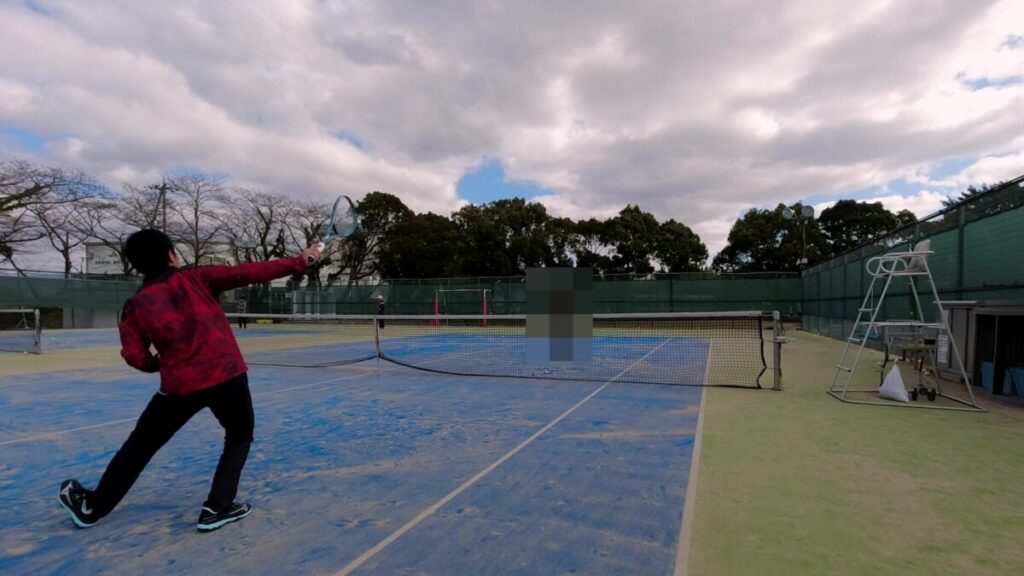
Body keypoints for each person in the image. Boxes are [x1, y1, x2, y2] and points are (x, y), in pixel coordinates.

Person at [58, 229, 321, 532]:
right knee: (239, 437)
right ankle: (216, 507)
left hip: (179, 386)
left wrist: (162, 364)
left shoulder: (135, 305)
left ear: (136, 265)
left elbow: (135, 356)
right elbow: (250, 272)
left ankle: (92, 507)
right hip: (228, 377)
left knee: (139, 447)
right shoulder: (198, 278)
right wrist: (302, 260)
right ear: (171, 254)